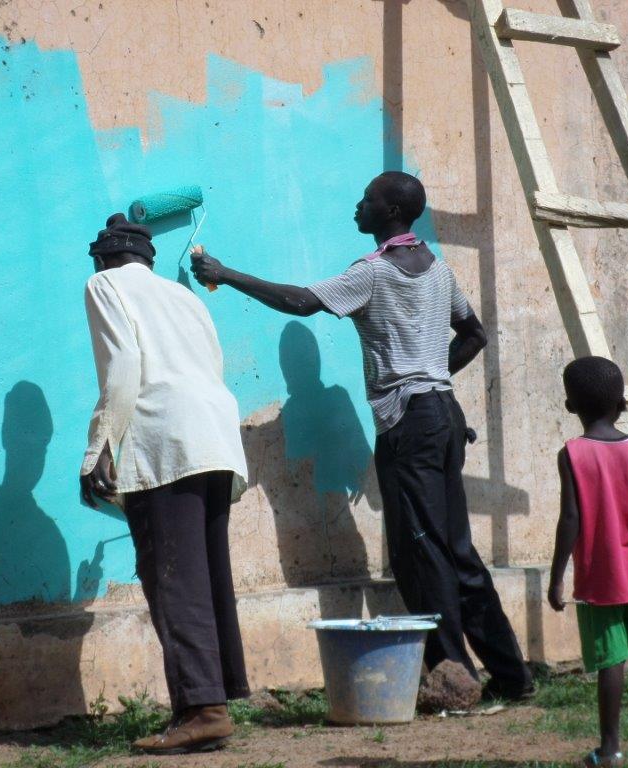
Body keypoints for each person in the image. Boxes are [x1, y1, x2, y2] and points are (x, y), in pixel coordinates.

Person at [190, 171, 533, 700]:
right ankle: (512, 676)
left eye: (368, 199)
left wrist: (224, 273)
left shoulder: (372, 272)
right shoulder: (439, 271)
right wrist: (431, 380)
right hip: (441, 416)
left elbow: (302, 301)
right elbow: (475, 334)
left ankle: (454, 680)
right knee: (456, 548)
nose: (358, 205)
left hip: (412, 424)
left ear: (391, 212)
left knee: (424, 551)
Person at [81, 214, 250, 754]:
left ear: (103, 259)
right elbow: (212, 366)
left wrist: (100, 445)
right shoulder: (186, 298)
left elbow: (124, 363)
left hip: (167, 438)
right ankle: (210, 699)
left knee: (174, 578)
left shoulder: (103, 284)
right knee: (206, 572)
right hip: (215, 436)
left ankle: (203, 709)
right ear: (147, 260)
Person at [548, 356, 628, 767]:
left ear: (570, 407)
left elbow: (571, 519)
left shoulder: (572, 454)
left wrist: (556, 577)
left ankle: (609, 750)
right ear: (622, 403)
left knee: (611, 661)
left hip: (600, 578)